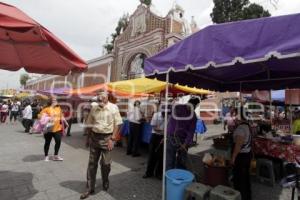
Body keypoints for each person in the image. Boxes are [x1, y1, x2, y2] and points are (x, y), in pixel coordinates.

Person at [80, 92, 122, 199]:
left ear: (107, 98)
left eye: (103, 98)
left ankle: (105, 180)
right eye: (99, 99)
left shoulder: (113, 107)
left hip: (108, 138)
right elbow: (89, 124)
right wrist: (87, 138)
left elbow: (118, 124)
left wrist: (112, 139)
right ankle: (90, 187)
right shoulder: (94, 108)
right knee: (92, 163)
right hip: (94, 137)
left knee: (106, 164)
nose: (100, 101)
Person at [166, 97, 199, 170]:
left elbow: (191, 131)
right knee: (170, 160)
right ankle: (169, 178)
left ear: (195, 107)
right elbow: (167, 110)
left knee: (182, 161)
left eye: (193, 107)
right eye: (190, 105)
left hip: (183, 139)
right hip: (171, 136)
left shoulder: (193, 116)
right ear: (188, 102)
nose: (191, 108)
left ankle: (180, 176)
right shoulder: (178, 107)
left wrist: (185, 143)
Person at [231, 107, 252, 200]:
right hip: (247, 155)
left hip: (241, 157)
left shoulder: (241, 128)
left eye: (235, 114)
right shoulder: (247, 125)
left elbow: (238, 145)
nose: (234, 116)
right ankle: (247, 196)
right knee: (245, 178)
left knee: (239, 180)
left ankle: (241, 197)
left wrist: (233, 158)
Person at [39, 97, 68, 161]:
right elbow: (40, 117)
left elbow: (61, 116)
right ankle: (46, 156)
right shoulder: (46, 109)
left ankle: (56, 156)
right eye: (54, 100)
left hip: (57, 128)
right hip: (48, 129)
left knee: (58, 141)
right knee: (47, 142)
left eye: (56, 100)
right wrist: (48, 118)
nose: (56, 101)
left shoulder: (58, 108)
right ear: (51, 102)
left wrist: (66, 122)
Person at [143, 104, 167, 179]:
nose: (165, 115)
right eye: (164, 113)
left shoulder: (169, 116)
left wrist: (165, 135)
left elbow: (169, 128)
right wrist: (164, 131)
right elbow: (154, 127)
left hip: (163, 137)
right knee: (152, 155)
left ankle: (158, 173)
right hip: (155, 136)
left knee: (161, 156)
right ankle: (149, 173)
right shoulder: (156, 115)